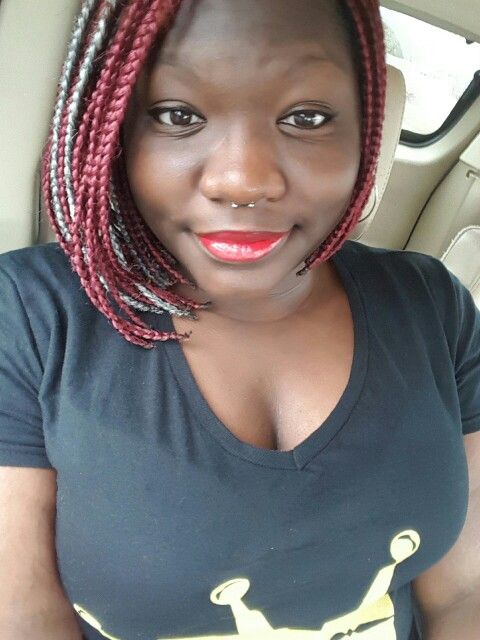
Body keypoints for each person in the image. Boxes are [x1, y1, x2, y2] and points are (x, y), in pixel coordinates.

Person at [0, 0, 479, 638]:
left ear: (366, 132)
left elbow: (463, 594)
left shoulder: (434, 306)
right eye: (177, 115)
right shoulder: (26, 316)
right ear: (113, 128)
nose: (242, 180)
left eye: (307, 117)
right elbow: (24, 615)